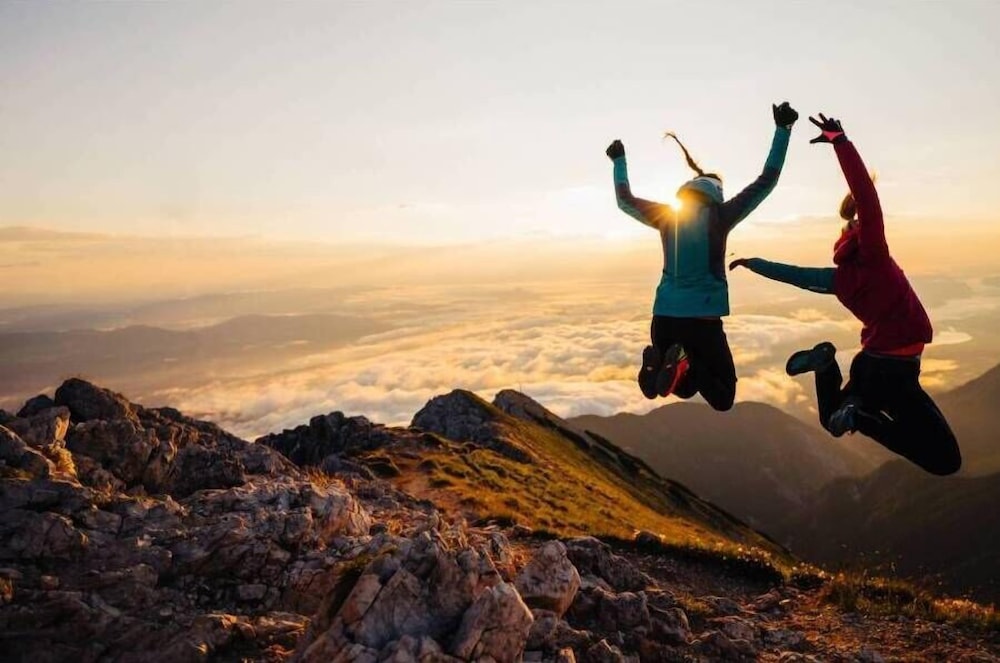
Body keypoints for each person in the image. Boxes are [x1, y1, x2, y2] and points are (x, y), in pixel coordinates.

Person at [730, 113, 961, 475]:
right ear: (857, 231)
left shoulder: (839, 279)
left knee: (833, 417)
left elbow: (797, 276)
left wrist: (754, 263)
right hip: (894, 372)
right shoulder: (874, 255)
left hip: (875, 367)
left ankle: (828, 370)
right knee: (945, 460)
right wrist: (840, 141)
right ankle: (853, 406)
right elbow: (866, 197)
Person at [606, 102, 798, 410]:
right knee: (722, 396)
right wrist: (783, 129)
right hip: (702, 323)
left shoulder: (666, 216)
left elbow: (624, 201)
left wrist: (619, 160)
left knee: (677, 387)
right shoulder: (720, 215)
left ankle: (659, 369)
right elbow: (767, 181)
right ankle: (684, 363)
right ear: (715, 192)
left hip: (663, 319)